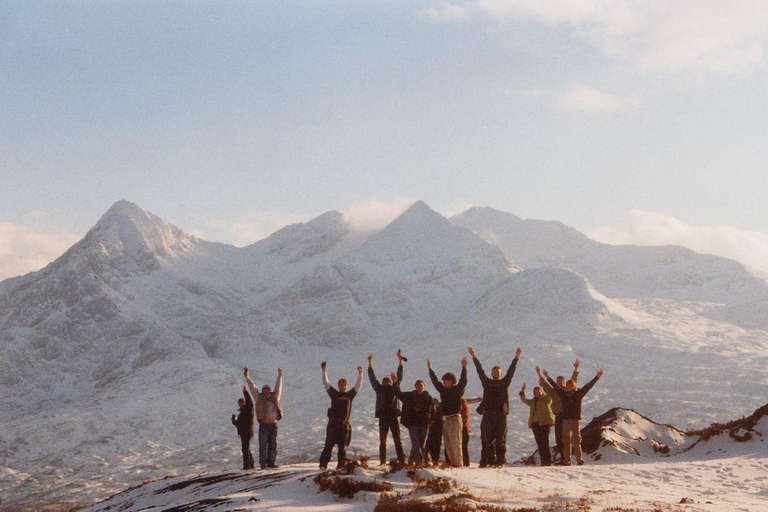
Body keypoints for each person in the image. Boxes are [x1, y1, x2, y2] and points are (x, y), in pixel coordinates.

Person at [467, 346, 521, 467]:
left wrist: (516, 358)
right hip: (488, 415)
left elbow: (511, 371)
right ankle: (491, 461)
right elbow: (480, 371)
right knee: (488, 440)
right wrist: (474, 357)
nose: (496, 373)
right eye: (494, 372)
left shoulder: (504, 383)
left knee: (501, 440)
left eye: (498, 372)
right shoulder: (487, 383)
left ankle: (501, 461)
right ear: (491, 373)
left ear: (500, 374)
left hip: (501, 415)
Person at [543, 367, 603, 466]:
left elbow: (588, 386)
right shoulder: (564, 394)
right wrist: (547, 377)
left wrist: (597, 377)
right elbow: (556, 387)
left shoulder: (578, 394)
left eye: (571, 385)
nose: (570, 387)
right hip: (566, 421)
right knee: (566, 441)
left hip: (575, 421)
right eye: (568, 386)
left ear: (574, 386)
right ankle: (567, 460)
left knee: (576, 441)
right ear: (566, 387)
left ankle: (579, 460)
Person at [319, 361, 363, 470]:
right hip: (333, 425)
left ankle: (340, 466)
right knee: (328, 446)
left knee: (342, 448)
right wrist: (324, 370)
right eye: (341, 384)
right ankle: (323, 465)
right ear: (338, 385)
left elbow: (358, 386)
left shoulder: (350, 395)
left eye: (345, 384)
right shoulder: (334, 394)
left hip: (344, 426)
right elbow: (326, 383)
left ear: (347, 385)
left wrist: (360, 374)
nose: (343, 386)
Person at [427, 357, 468, 467]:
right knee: (448, 443)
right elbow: (436, 382)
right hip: (446, 419)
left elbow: (463, 381)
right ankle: (452, 464)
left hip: (455, 418)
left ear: (451, 382)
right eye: (444, 381)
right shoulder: (443, 390)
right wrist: (430, 370)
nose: (444, 383)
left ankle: (458, 464)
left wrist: (464, 367)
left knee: (455, 442)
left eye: (446, 381)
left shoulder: (457, 390)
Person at [368, 351, 406, 465]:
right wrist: (370, 364)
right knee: (383, 441)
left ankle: (401, 460)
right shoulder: (379, 389)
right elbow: (372, 378)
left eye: (388, 382)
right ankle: (383, 461)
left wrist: (400, 362)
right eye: (385, 382)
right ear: (382, 383)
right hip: (384, 417)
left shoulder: (395, 389)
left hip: (393, 416)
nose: (387, 383)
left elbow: (399, 378)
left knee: (397, 440)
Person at [537, 359, 579, 462]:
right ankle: (563, 458)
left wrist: (576, 368)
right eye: (558, 382)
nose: (559, 383)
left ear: (565, 383)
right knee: (558, 439)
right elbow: (546, 385)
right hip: (558, 417)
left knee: (567, 439)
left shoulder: (567, 391)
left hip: (567, 417)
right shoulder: (553, 391)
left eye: (561, 382)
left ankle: (568, 459)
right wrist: (539, 374)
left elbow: (574, 380)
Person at [245, 367, 283, 469]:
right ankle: (263, 464)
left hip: (273, 424)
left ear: (270, 391)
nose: (266, 391)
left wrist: (279, 375)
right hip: (263, 424)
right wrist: (247, 377)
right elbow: (253, 388)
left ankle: (271, 463)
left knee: (273, 445)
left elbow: (278, 387)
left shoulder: (274, 397)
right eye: (264, 390)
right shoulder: (259, 398)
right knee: (262, 445)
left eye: (268, 390)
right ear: (262, 391)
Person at [394, 376, 434, 465]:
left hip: (424, 423)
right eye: (418, 386)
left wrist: (430, 422)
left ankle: (411, 460)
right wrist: (396, 383)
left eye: (421, 386)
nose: (420, 387)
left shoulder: (428, 398)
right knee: (415, 442)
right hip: (413, 423)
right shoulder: (409, 396)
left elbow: (433, 411)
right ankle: (419, 461)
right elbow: (398, 394)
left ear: (424, 386)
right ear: (415, 386)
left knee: (421, 443)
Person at [519, 382, 554, 466]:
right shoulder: (533, 401)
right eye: (536, 392)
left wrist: (544, 386)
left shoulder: (545, 399)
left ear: (542, 392)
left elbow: (550, 397)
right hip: (535, 424)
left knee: (545, 442)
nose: (537, 393)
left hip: (544, 423)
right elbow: (524, 400)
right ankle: (543, 461)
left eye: (539, 391)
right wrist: (522, 391)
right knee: (539, 443)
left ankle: (547, 461)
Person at [231, 385, 255, 470]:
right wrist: (234, 422)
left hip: (247, 432)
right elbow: (240, 425)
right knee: (246, 448)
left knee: (245, 449)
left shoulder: (248, 409)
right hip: (244, 432)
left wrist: (245, 392)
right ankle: (250, 464)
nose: (241, 404)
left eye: (242, 403)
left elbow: (250, 402)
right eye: (240, 403)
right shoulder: (242, 414)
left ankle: (247, 466)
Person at [460, 397, 482, 466]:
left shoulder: (463, 404)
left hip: (463, 428)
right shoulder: (463, 403)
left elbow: (465, 417)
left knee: (463, 446)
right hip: (464, 427)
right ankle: (464, 462)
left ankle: (465, 463)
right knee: (463, 446)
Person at [425, 398, 443, 466]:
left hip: (437, 430)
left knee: (436, 446)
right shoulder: (430, 410)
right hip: (430, 429)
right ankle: (427, 460)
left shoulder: (439, 410)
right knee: (429, 446)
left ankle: (435, 461)